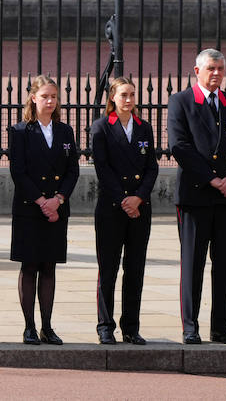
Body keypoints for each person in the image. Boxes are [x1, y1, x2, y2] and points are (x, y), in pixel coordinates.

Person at [167, 47, 226, 345]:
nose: (216, 74)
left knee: (225, 263)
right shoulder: (181, 101)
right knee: (193, 264)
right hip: (196, 195)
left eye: (220, 69)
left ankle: (221, 326)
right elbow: (179, 146)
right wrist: (214, 179)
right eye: (211, 68)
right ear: (197, 70)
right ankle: (191, 326)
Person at [8, 75, 79, 345]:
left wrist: (58, 200)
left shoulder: (65, 132)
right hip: (30, 208)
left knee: (49, 267)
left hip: (57, 210)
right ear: (33, 98)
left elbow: (72, 169)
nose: (50, 101)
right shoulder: (20, 131)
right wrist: (41, 201)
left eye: (54, 97)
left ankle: (47, 326)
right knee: (29, 267)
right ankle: (29, 326)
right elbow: (19, 171)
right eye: (45, 96)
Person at [90, 75, 157, 346]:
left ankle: (131, 326)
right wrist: (124, 200)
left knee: (135, 268)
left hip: (140, 208)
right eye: (123, 95)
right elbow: (103, 169)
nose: (128, 100)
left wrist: (138, 198)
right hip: (112, 207)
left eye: (131, 95)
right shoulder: (101, 127)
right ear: (112, 98)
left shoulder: (144, 127)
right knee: (109, 268)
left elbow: (152, 167)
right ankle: (106, 325)